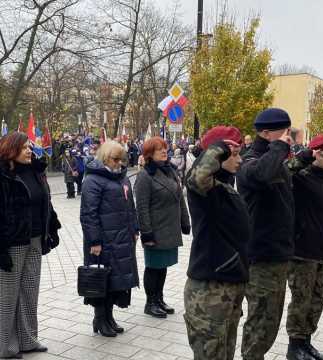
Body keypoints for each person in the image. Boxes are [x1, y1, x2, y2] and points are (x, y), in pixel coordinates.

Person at [184, 126, 250, 360]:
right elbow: (196, 177)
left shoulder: (226, 188)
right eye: (235, 153)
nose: (240, 160)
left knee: (225, 353)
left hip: (231, 284)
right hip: (209, 290)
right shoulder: (205, 189)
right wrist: (219, 147)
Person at [237, 108, 295, 360]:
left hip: (279, 253)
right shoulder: (250, 160)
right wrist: (279, 148)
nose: (289, 138)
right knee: (261, 321)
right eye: (285, 132)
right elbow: (261, 174)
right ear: (266, 133)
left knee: (271, 320)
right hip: (261, 257)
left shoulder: (276, 159)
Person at [0, 132, 61, 359]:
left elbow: (47, 202)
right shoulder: (4, 175)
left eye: (30, 147)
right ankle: (5, 347)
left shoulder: (36, 172)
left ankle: (27, 340)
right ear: (11, 149)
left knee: (29, 291)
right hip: (12, 243)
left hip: (35, 239)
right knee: (8, 296)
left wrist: (52, 228)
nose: (29, 151)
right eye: (24, 147)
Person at [285, 135, 323, 360]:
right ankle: (294, 347)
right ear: (314, 155)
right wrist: (304, 156)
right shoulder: (300, 179)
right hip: (302, 254)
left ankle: (306, 343)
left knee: (317, 301)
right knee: (301, 301)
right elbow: (282, 172)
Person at [80, 140, 139, 337]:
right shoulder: (92, 180)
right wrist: (94, 241)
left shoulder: (121, 178)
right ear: (105, 157)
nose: (119, 163)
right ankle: (100, 318)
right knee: (102, 279)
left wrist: (135, 229)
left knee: (115, 280)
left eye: (122, 159)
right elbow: (89, 214)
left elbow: (131, 206)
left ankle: (109, 317)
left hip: (122, 238)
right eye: (115, 159)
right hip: (103, 241)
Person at [135, 136, 190, 318]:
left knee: (163, 266)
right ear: (150, 154)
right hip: (155, 230)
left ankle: (159, 299)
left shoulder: (170, 171)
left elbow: (180, 197)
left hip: (169, 228)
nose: (164, 151)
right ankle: (150, 303)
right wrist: (147, 233)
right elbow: (141, 207)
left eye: (165, 148)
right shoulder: (145, 176)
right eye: (160, 149)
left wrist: (185, 220)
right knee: (153, 267)